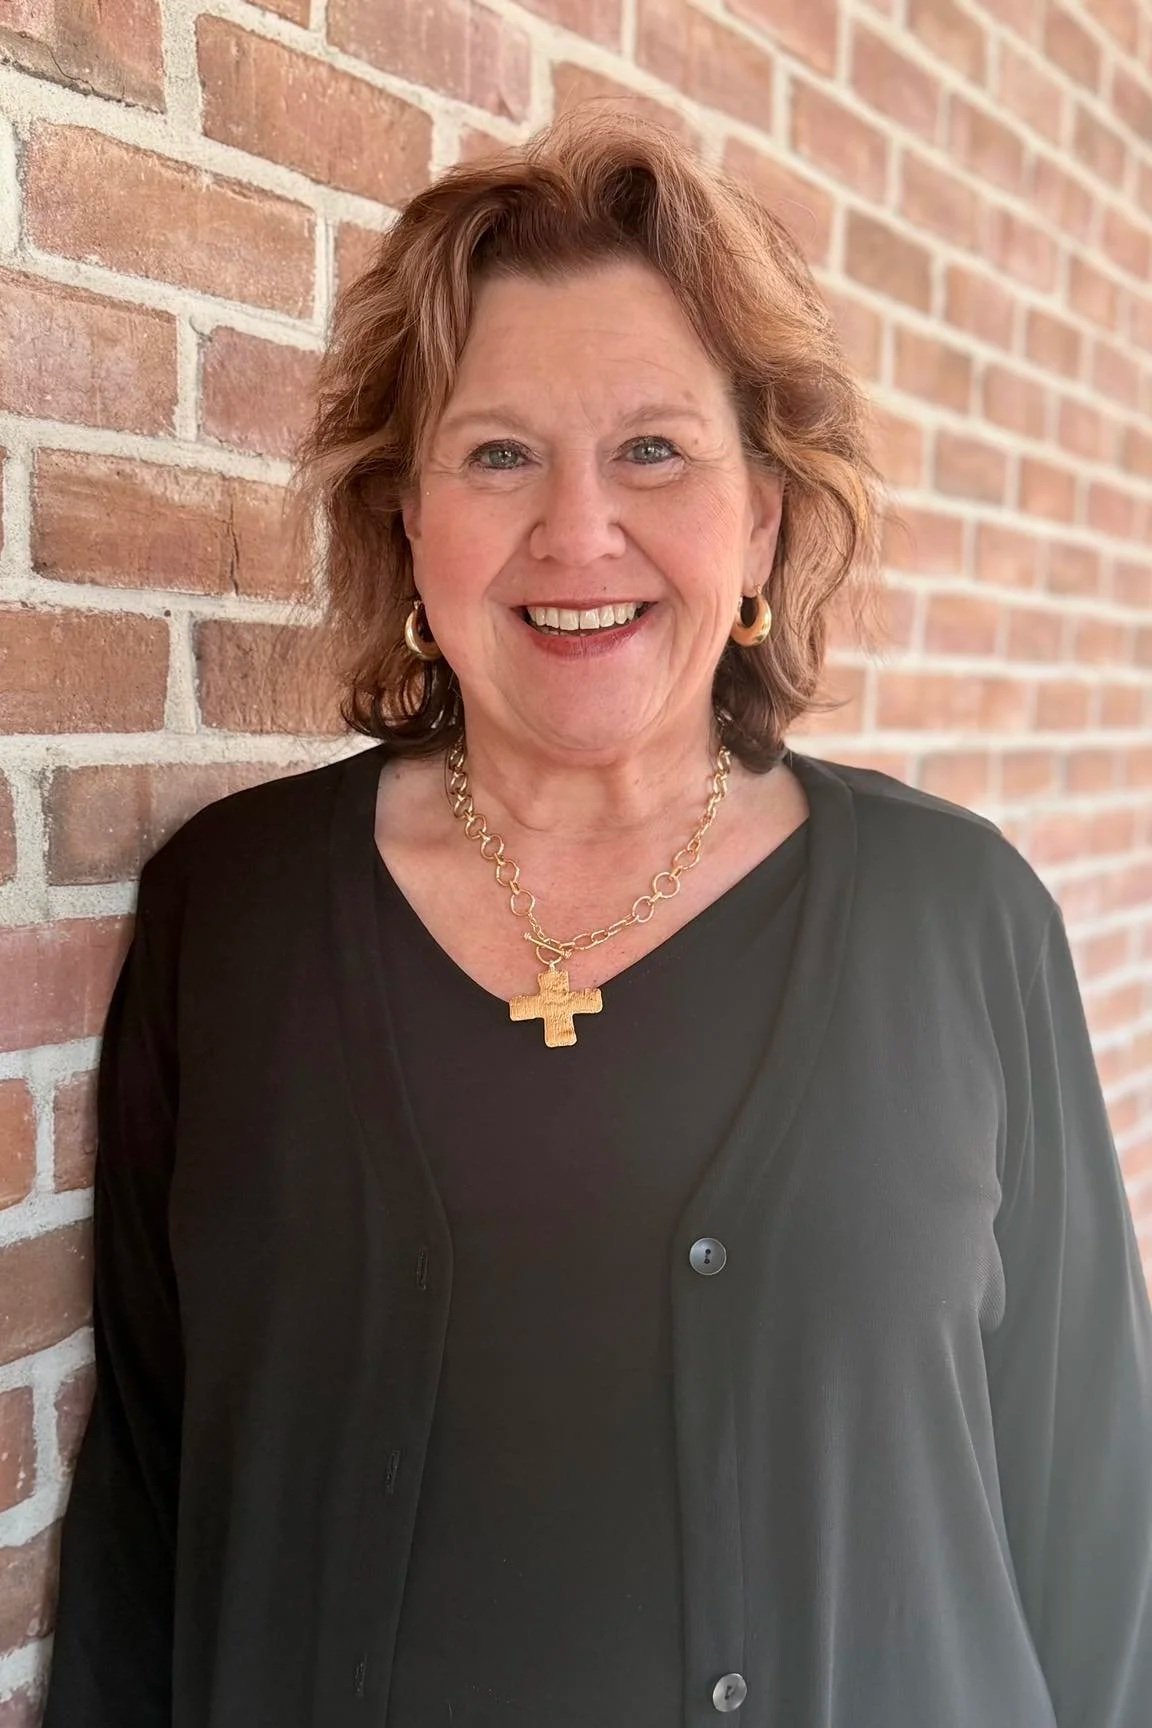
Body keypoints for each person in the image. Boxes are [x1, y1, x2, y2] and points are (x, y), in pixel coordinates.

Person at [42, 105, 1152, 1728]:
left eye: (654, 450)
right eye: (498, 454)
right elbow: (146, 1509)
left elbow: (1100, 1525)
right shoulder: (237, 917)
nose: (578, 535)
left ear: (761, 518)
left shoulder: (956, 921)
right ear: (407, 522)